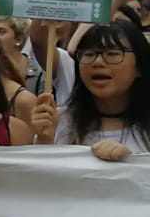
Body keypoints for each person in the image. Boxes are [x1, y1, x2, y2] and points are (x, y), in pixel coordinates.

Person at [31, 20, 150, 157]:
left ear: (139, 66)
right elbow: (40, 175)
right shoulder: (59, 121)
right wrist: (44, 140)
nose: (98, 62)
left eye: (112, 53)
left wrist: (130, 163)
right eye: (89, 54)